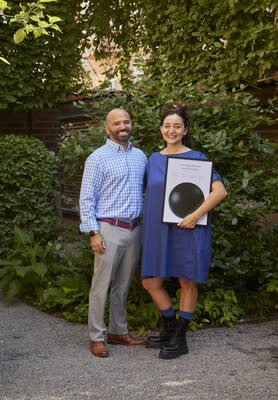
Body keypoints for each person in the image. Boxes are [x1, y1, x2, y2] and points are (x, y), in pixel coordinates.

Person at [141, 102, 227, 360]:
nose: (172, 130)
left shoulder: (197, 159)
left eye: (177, 126)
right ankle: (169, 327)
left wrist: (194, 216)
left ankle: (181, 337)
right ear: (160, 129)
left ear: (185, 129)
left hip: (188, 228)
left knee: (186, 280)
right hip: (158, 230)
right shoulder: (153, 160)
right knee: (150, 281)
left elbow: (219, 192)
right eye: (167, 126)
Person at [79, 108, 147, 358]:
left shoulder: (141, 156)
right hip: (108, 228)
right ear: (107, 128)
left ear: (131, 125)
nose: (122, 126)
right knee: (101, 285)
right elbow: (86, 198)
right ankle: (96, 336)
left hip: (134, 228)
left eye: (126, 121)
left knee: (123, 284)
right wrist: (93, 232)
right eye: (116, 122)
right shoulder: (97, 158)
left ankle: (118, 331)